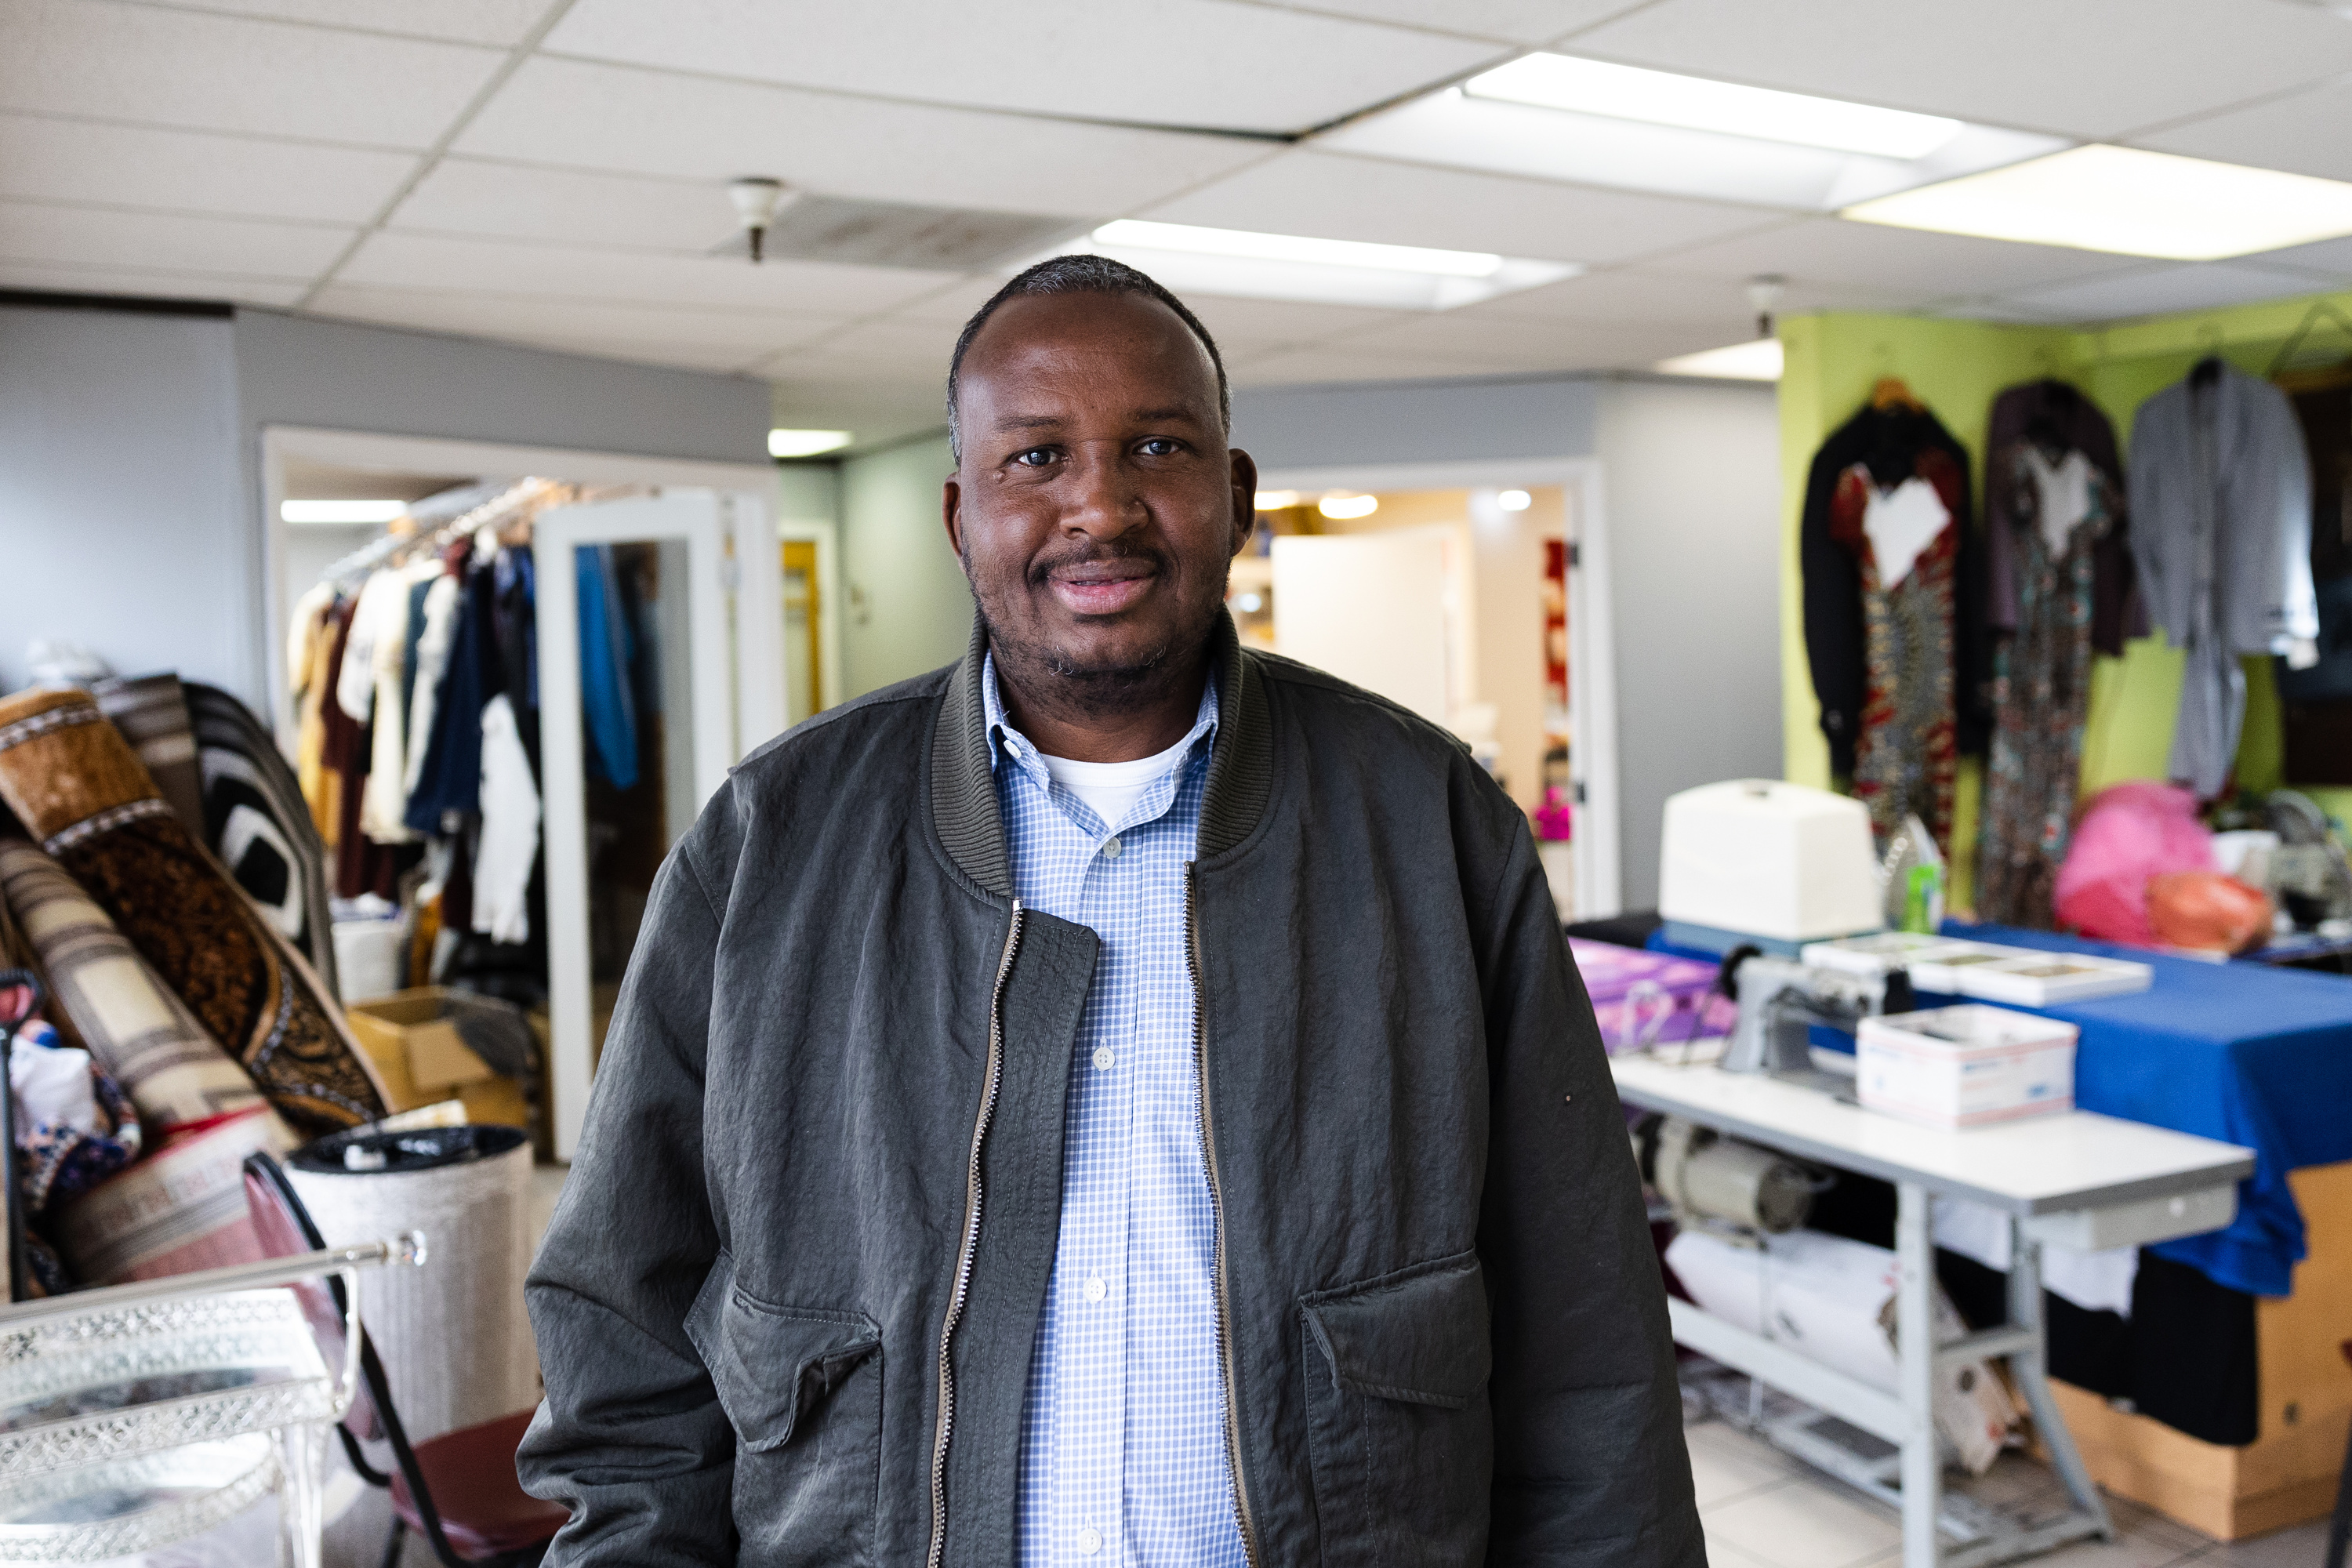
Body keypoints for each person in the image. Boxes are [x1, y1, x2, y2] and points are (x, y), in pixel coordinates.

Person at [520, 255, 1702, 1567]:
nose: (1101, 504)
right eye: (1035, 459)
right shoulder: (772, 843)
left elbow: (1589, 1346)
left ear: (1236, 496)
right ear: (960, 514)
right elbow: (623, 1332)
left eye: (1157, 445)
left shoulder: (1428, 825)